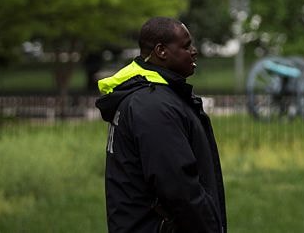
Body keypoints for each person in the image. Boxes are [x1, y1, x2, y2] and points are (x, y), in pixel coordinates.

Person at [96, 17, 227, 233]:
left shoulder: (153, 97)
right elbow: (180, 189)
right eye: (186, 46)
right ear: (161, 51)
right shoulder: (153, 106)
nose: (193, 52)